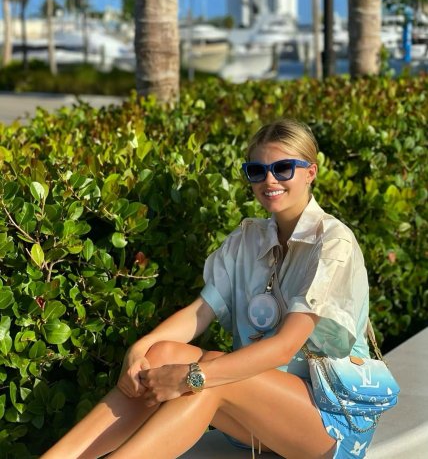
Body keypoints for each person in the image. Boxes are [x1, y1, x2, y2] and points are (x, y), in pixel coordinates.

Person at [41, 118, 378, 459]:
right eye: (257, 171)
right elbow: (199, 313)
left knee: (208, 375)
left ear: (310, 172)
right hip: (257, 412)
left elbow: (284, 347)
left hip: (333, 421)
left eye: (283, 168)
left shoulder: (333, 243)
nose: (269, 180)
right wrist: (139, 349)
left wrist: (194, 375)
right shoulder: (249, 239)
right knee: (161, 355)